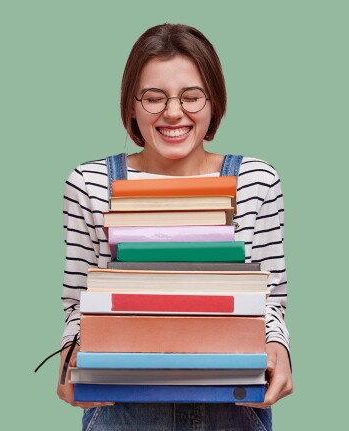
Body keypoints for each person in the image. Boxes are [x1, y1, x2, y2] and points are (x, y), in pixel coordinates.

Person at [56, 23, 293, 430]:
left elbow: (270, 299)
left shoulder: (257, 180)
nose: (172, 112)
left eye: (191, 96)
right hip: (121, 407)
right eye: (153, 97)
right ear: (131, 106)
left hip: (234, 405)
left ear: (214, 102)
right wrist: (67, 357)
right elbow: (80, 302)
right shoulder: (90, 184)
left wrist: (279, 347)